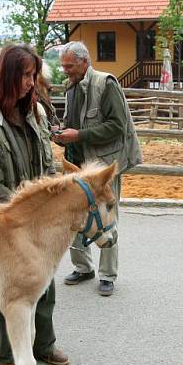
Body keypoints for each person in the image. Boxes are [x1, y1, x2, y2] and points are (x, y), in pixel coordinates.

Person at [0, 43, 68, 365]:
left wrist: (54, 198)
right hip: (4, 222)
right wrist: (23, 219)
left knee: (44, 282)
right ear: (8, 76)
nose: (31, 82)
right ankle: (6, 354)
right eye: (25, 75)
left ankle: (44, 343)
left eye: (34, 74)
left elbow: (48, 164)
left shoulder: (35, 114)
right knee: (6, 291)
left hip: (39, 219)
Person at [52, 41, 142, 296]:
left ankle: (107, 275)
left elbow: (118, 126)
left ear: (83, 61)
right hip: (78, 165)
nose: (65, 71)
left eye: (69, 66)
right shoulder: (71, 87)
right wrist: (61, 135)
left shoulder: (106, 84)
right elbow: (73, 124)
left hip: (102, 167)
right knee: (75, 216)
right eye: (63, 66)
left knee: (106, 218)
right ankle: (83, 267)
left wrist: (78, 135)